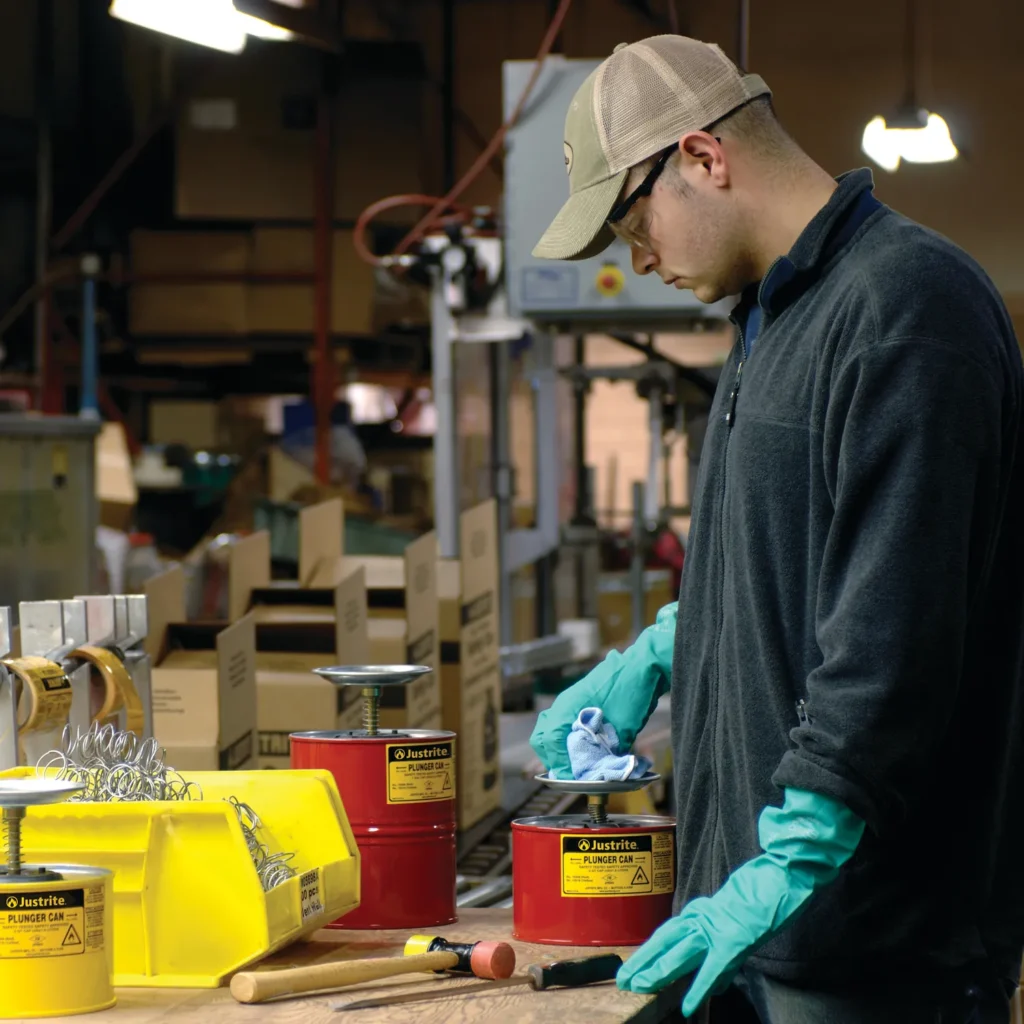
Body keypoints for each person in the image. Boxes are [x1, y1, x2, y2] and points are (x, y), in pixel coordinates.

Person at [528, 33, 1024, 1024]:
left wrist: (791, 855)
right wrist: (666, 649)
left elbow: (893, 637)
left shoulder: (905, 308)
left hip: (870, 949)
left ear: (702, 158)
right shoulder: (773, 318)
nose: (638, 258)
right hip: (753, 925)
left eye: (630, 222)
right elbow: (787, 558)